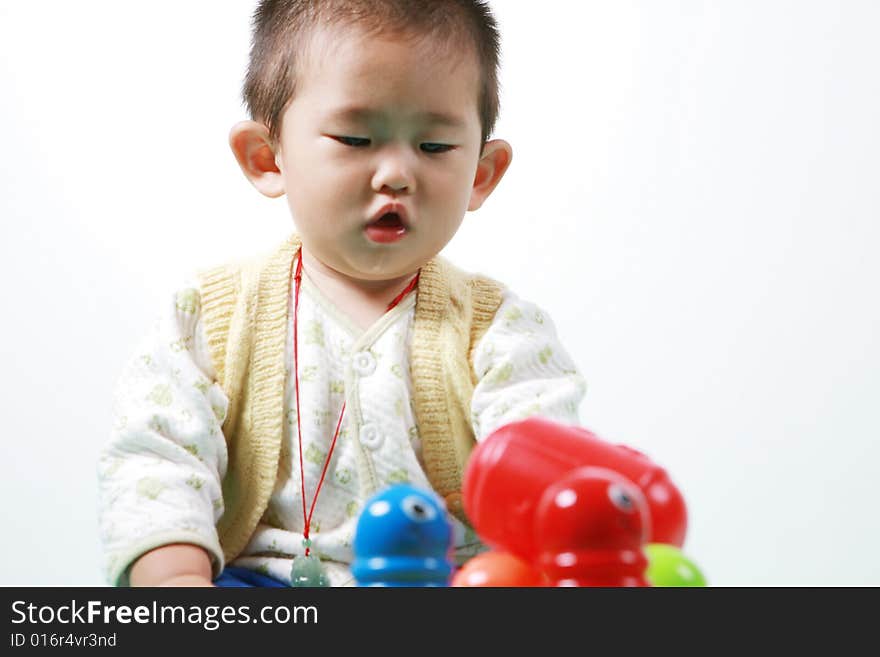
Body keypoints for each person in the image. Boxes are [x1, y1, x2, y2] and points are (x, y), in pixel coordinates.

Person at [97, 0, 586, 587]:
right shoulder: (209, 316)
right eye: (356, 139)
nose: (396, 174)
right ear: (265, 157)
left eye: (434, 148)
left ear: (481, 173)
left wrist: (564, 528)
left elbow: (544, 458)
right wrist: (176, 577)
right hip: (260, 585)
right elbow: (158, 453)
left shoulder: (498, 329)